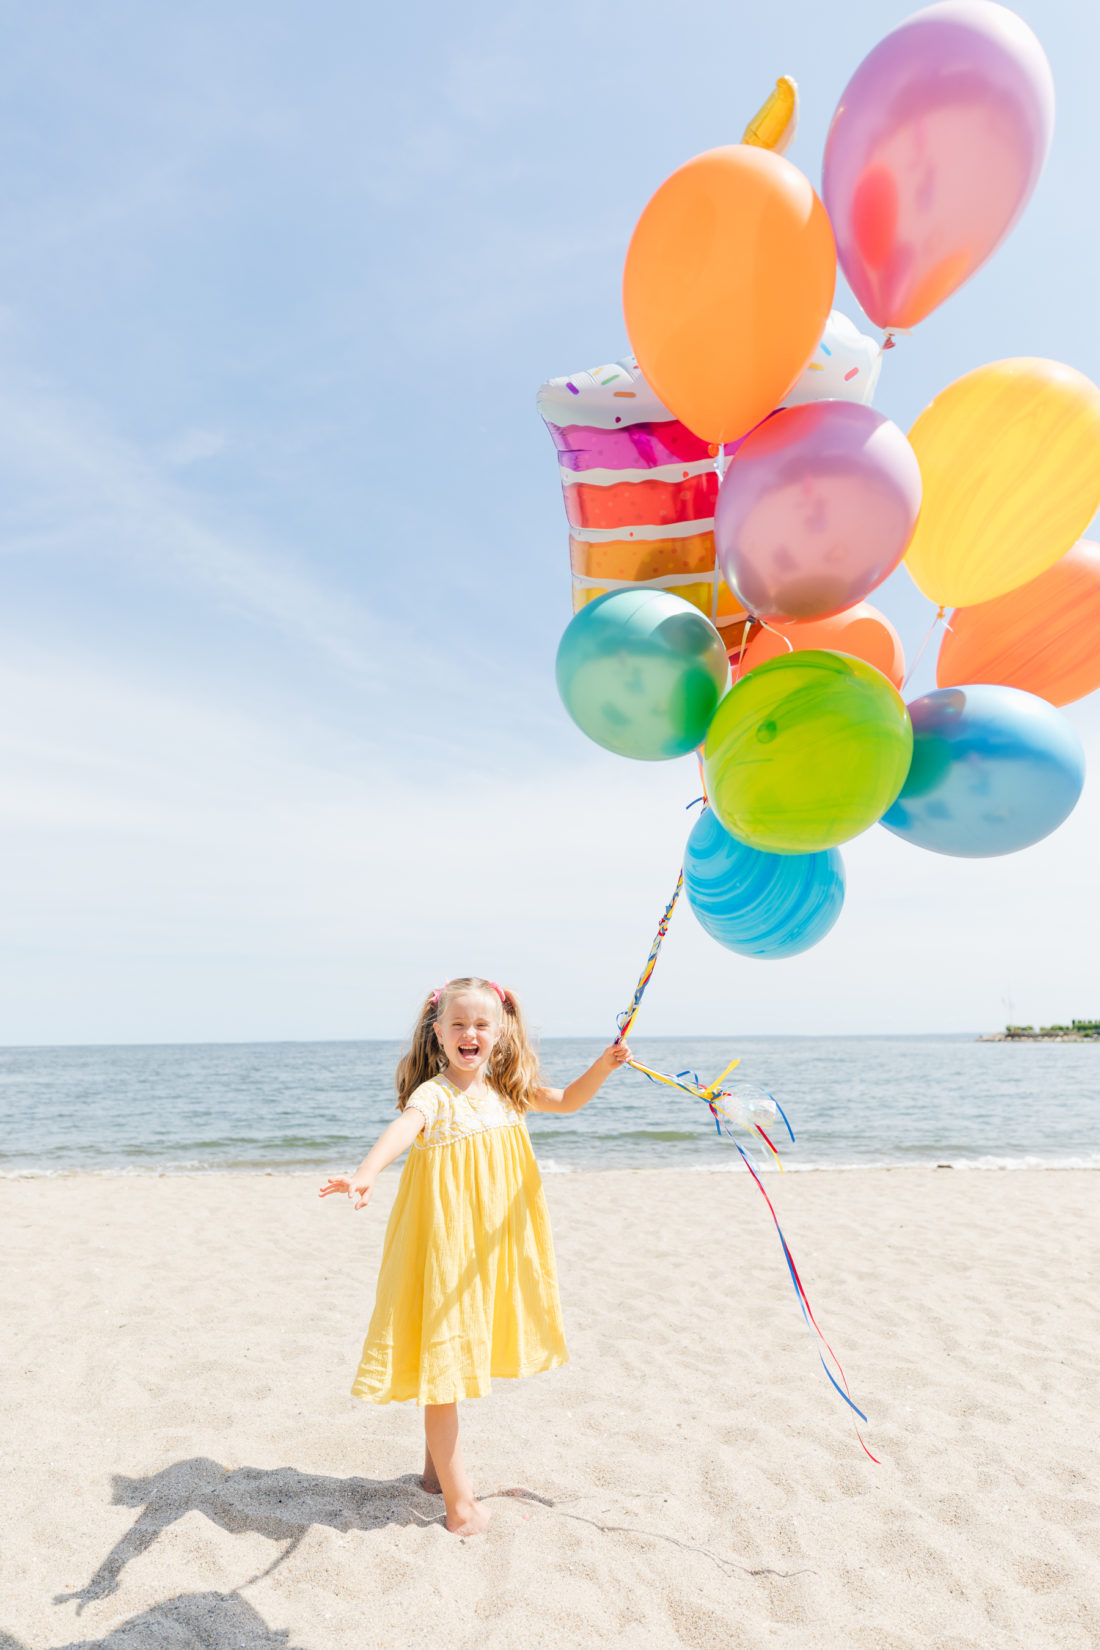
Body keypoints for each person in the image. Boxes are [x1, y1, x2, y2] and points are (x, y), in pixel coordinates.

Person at [319, 976, 631, 1536]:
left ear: (502, 1031)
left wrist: (603, 1068)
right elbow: (401, 1130)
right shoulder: (434, 1096)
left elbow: (568, 1101)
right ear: (437, 1033)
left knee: (458, 1353)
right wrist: (365, 1173)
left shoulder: (510, 1090)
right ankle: (459, 1509)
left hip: (492, 1249)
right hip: (444, 1246)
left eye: (481, 1025)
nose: (470, 1034)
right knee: (445, 1365)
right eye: (458, 1024)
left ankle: (434, 1475)